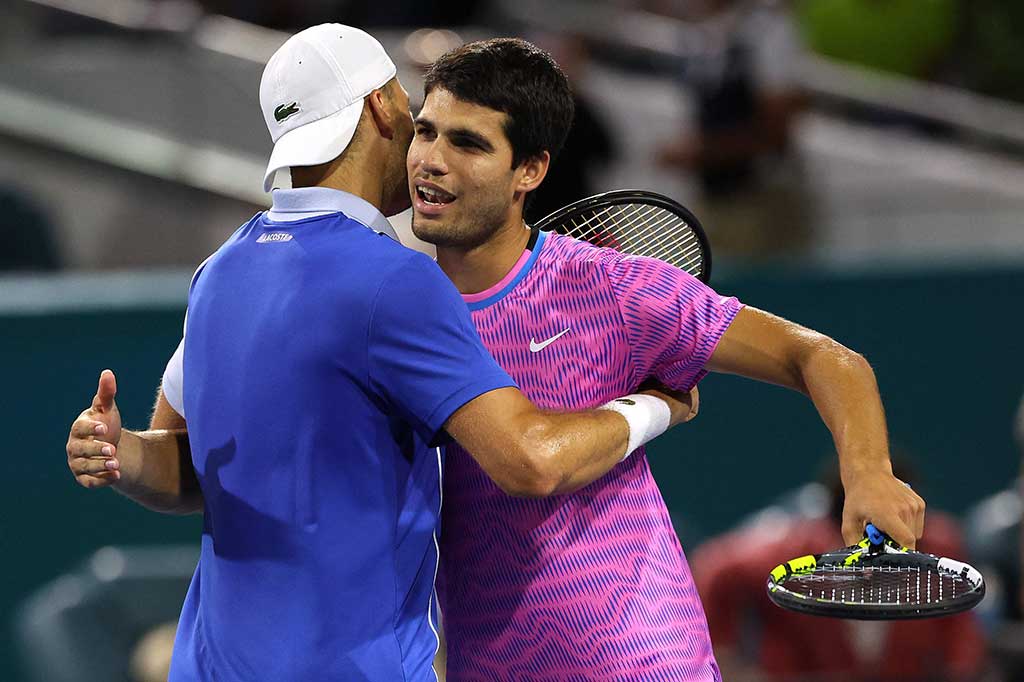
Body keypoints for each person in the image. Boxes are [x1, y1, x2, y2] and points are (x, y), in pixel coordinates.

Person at [64, 25, 700, 682]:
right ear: (379, 108)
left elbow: (198, 473)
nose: (422, 136)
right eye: (410, 108)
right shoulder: (395, 281)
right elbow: (531, 461)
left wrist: (127, 453)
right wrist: (655, 405)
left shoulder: (219, 274)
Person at [402, 38, 924, 679]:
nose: (432, 162)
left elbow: (819, 357)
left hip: (644, 657)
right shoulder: (393, 310)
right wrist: (654, 407)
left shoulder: (612, 286)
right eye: (425, 132)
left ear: (530, 171)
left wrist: (869, 473)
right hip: (493, 664)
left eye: (469, 144)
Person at [692, 466, 985, 682]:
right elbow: (713, 569)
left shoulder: (942, 552)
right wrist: (723, 660)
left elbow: (962, 639)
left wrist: (962, 669)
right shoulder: (791, 553)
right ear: (838, 527)